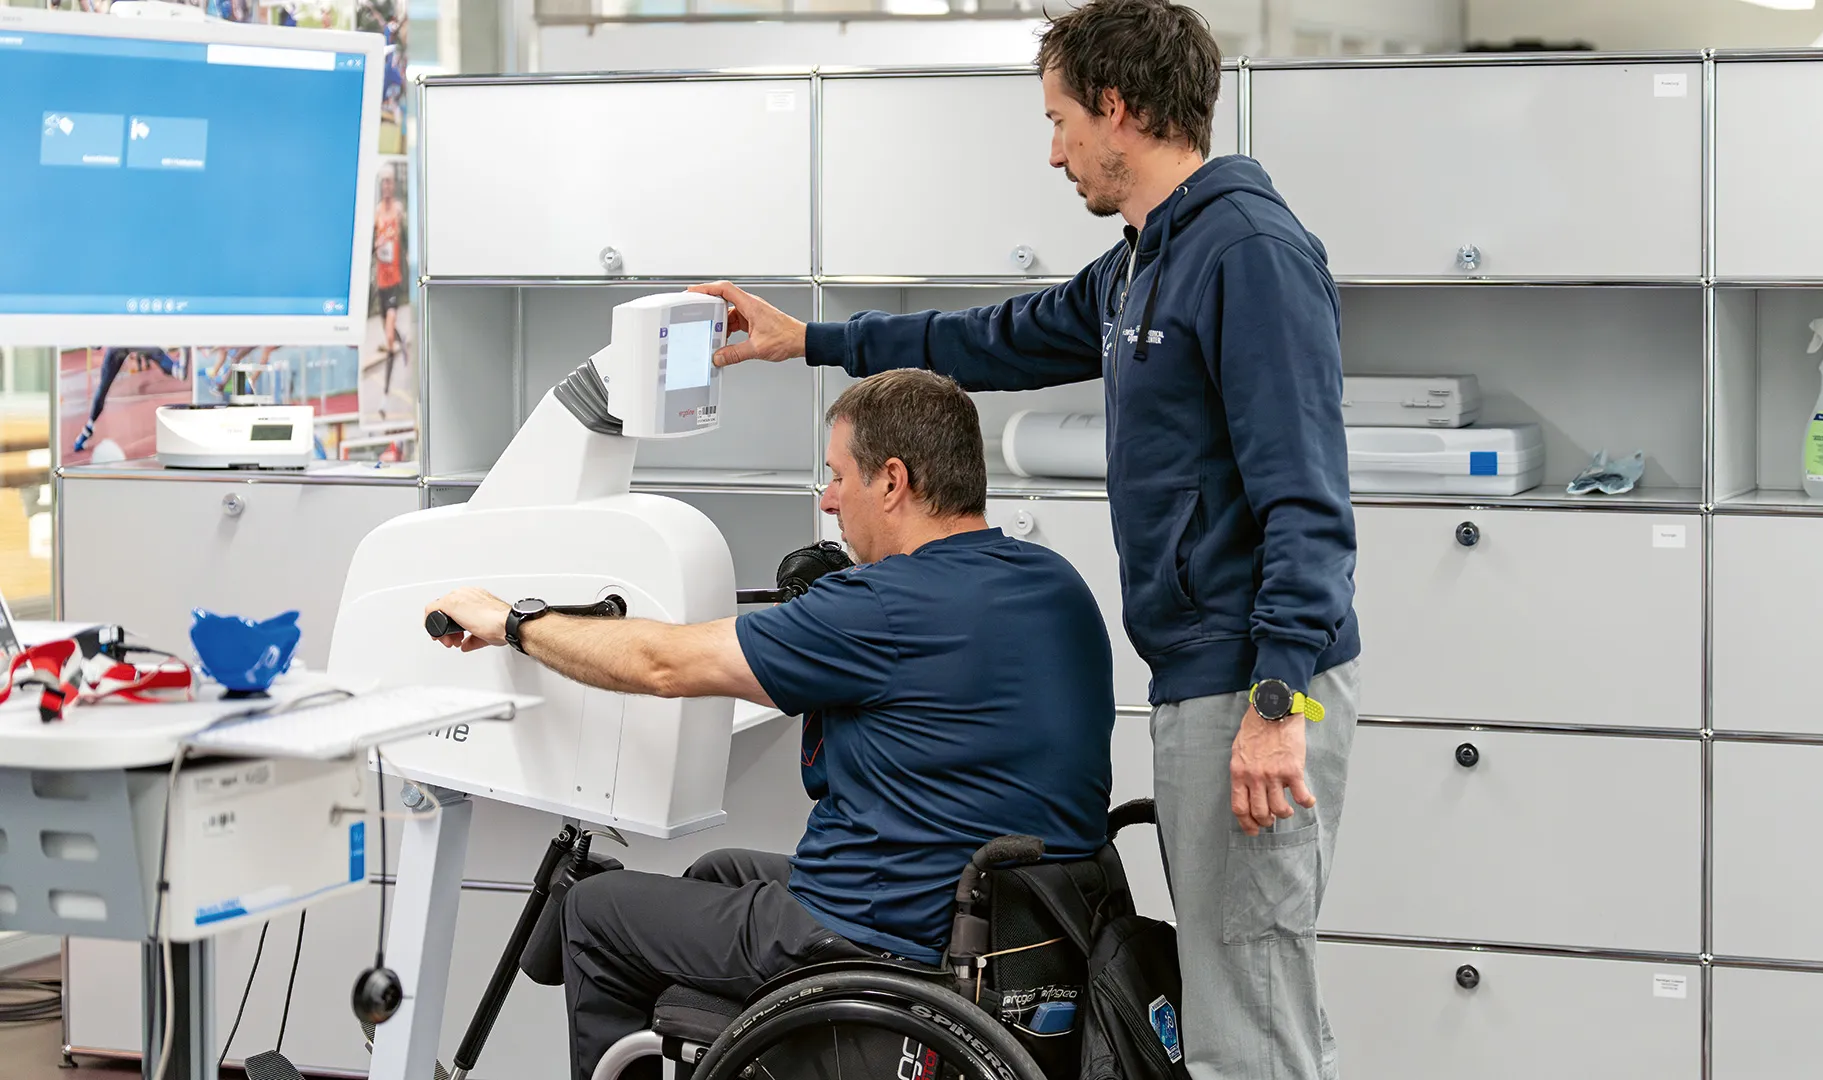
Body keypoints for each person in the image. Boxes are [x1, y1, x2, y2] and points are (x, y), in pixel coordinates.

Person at [689, 1, 1360, 1076]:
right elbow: (996, 337)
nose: (1053, 152)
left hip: (1255, 690)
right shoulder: (1148, 258)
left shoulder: (1248, 252)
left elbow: (1309, 501)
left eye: (1059, 121)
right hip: (1211, 686)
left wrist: (1279, 702)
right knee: (1234, 1001)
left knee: (1250, 1015)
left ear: (1118, 108)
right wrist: (810, 339)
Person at [423, 369, 1117, 1080]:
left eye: (839, 476)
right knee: (718, 872)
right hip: (1010, 926)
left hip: (884, 935)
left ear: (894, 481)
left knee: (595, 914)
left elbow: (663, 664)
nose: (829, 500)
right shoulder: (1055, 583)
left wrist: (515, 623)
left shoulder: (879, 606)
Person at [73, 347, 183, 454]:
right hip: (124, 345)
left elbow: (96, 346)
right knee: (157, 352)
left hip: (118, 347)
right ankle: (175, 369)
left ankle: (88, 428)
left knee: (103, 388)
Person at [370, 169, 407, 407]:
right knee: (388, 334)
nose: (387, 186)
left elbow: (405, 237)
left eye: (390, 182)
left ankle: (384, 393)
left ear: (393, 185)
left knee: (389, 335)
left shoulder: (398, 210)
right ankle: (401, 344)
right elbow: (373, 245)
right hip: (381, 281)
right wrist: (378, 244)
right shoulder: (376, 213)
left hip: (394, 279)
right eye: (383, 182)